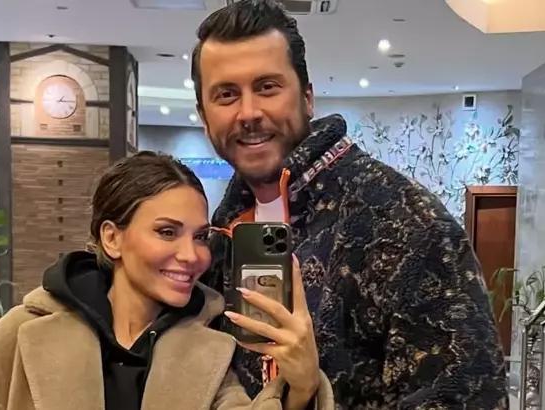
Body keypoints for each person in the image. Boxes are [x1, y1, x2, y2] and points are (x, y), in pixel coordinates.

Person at [192, 0, 509, 408]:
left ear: (307, 98)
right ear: (204, 116)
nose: (248, 113)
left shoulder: (408, 223)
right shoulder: (220, 233)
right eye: (226, 95)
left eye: (267, 87)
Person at [0, 152, 334, 410]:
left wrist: (301, 387)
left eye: (200, 236)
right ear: (112, 238)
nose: (192, 255)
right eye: (167, 232)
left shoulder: (211, 345)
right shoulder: (24, 331)